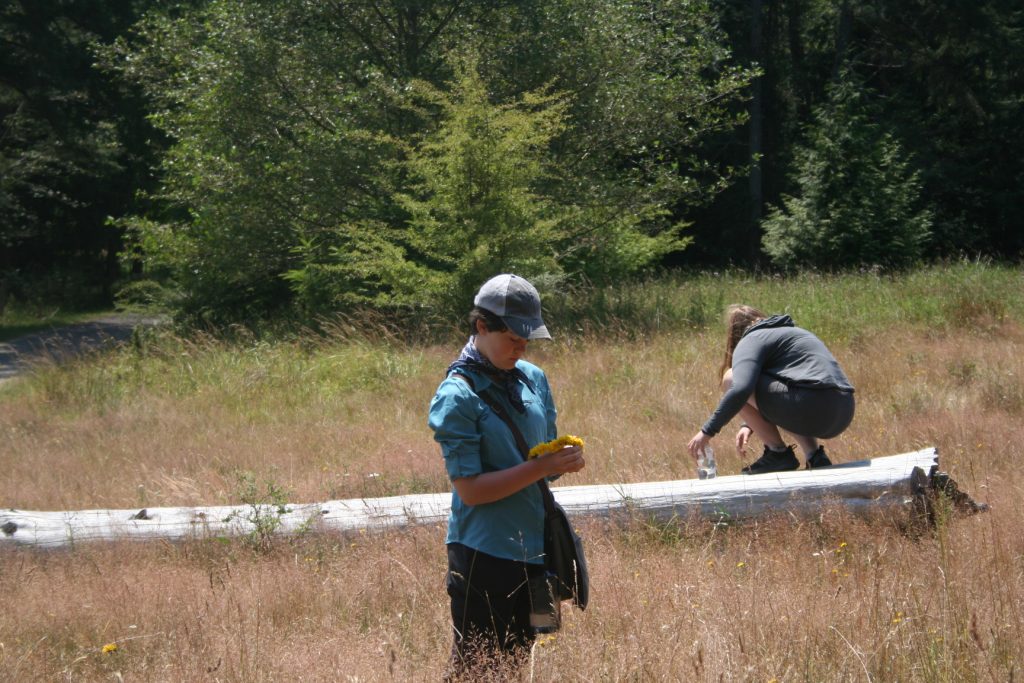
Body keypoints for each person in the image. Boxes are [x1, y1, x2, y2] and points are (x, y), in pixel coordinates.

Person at [428, 273, 586, 676]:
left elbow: (542, 465)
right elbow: (471, 491)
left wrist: (560, 463)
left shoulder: (533, 378)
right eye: (513, 337)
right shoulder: (457, 395)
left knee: (517, 667)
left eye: (527, 340)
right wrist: (542, 467)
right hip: (484, 554)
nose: (521, 348)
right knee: (475, 670)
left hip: (535, 549)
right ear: (482, 326)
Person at [687, 304, 855, 474]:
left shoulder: (752, 338)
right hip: (844, 411)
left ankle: (778, 453)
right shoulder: (794, 332)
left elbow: (741, 388)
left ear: (736, 335)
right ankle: (815, 457)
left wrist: (706, 432)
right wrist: (748, 424)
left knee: (731, 378)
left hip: (808, 405)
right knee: (798, 390)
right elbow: (788, 382)